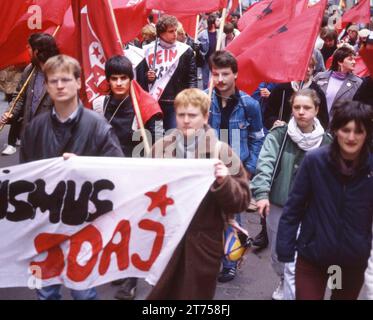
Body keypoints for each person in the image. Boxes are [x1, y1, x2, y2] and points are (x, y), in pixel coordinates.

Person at [20, 55, 124, 299]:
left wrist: (84, 166)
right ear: (46, 86)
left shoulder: (98, 126)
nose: (59, 85)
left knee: (83, 291)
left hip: (83, 221)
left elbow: (117, 170)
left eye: (66, 79)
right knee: (45, 291)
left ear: (79, 82)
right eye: (53, 80)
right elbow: (24, 175)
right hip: (44, 221)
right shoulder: (35, 128)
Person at [147, 88, 250, 299]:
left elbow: (241, 201)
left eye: (192, 115)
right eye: (181, 115)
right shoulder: (159, 150)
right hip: (166, 240)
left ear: (205, 117)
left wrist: (225, 182)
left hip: (204, 245)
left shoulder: (221, 151)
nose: (186, 120)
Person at [276, 100, 373, 300]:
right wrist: (285, 249)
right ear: (336, 130)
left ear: (367, 134)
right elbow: (294, 208)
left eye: (359, 131)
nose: (351, 137)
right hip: (313, 257)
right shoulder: (315, 161)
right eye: (346, 130)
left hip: (350, 263)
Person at [251, 88, 332, 300]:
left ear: (317, 110)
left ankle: (290, 290)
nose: (301, 112)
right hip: (280, 205)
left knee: (294, 263)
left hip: (311, 209)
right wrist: (261, 193)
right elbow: (265, 163)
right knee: (279, 256)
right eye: (297, 107)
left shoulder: (328, 142)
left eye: (307, 108)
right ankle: (282, 279)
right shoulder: (279, 134)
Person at [207, 50, 265, 282]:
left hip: (234, 169)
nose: (220, 79)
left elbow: (258, 137)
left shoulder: (249, 105)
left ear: (235, 75)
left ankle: (230, 262)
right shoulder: (204, 100)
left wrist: (248, 168)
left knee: (232, 217)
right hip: (207, 167)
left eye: (225, 74)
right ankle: (209, 258)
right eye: (215, 74)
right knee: (206, 216)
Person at [0, 33, 59, 155]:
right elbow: (19, 97)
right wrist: (10, 112)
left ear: (37, 52)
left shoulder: (60, 73)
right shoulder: (30, 70)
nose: (28, 51)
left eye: (29, 48)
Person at [93, 55, 162, 157]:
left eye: (123, 78)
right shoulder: (99, 105)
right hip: (107, 163)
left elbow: (159, 140)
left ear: (130, 79)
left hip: (135, 165)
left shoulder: (148, 106)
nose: (119, 83)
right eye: (114, 79)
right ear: (108, 80)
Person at [137, 15, 197, 131]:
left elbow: (192, 78)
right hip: (155, 104)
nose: (175, 34)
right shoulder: (147, 51)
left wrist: (191, 98)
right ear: (160, 33)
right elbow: (140, 81)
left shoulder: (186, 50)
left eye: (175, 30)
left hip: (177, 103)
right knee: (158, 138)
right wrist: (148, 78)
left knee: (173, 136)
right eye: (171, 31)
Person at [265, 56, 329, 131]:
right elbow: (268, 113)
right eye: (305, 66)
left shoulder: (317, 91)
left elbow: (324, 120)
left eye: (311, 66)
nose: (308, 70)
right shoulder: (282, 88)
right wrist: (274, 122)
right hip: (283, 135)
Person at [314, 45, 363, 116]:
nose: (354, 62)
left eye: (354, 59)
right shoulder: (320, 77)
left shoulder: (358, 82)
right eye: (350, 59)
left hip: (339, 123)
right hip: (317, 121)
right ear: (340, 62)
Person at [198, 13, 219, 89]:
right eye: (217, 20)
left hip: (216, 59)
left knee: (215, 79)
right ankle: (206, 95)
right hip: (206, 60)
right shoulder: (203, 33)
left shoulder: (220, 33)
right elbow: (196, 41)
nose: (219, 22)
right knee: (205, 81)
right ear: (213, 23)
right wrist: (200, 52)